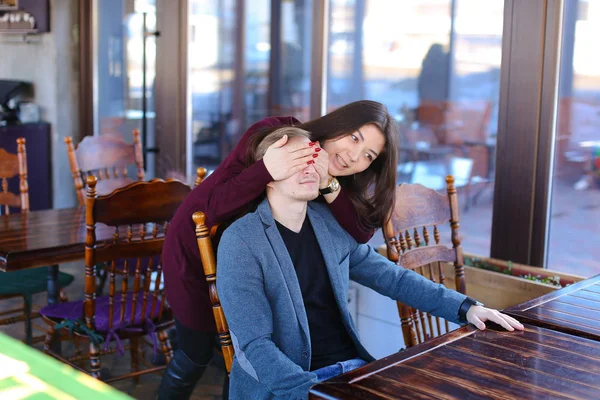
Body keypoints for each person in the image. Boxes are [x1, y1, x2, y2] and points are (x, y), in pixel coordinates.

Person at [216, 127, 524, 399]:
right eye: (295, 160)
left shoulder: (329, 225)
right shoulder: (241, 241)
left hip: (351, 371)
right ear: (267, 171)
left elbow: (394, 279)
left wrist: (467, 308)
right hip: (290, 387)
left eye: (312, 158)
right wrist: (312, 393)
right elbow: (257, 346)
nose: (309, 167)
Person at [158, 100, 399, 399]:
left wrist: (328, 184)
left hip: (249, 267)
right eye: (354, 138)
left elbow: (360, 232)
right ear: (338, 123)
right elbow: (209, 208)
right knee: (196, 353)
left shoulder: (324, 176)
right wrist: (267, 169)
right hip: (194, 254)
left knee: (240, 360)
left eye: (368, 155)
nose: (353, 157)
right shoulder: (276, 134)